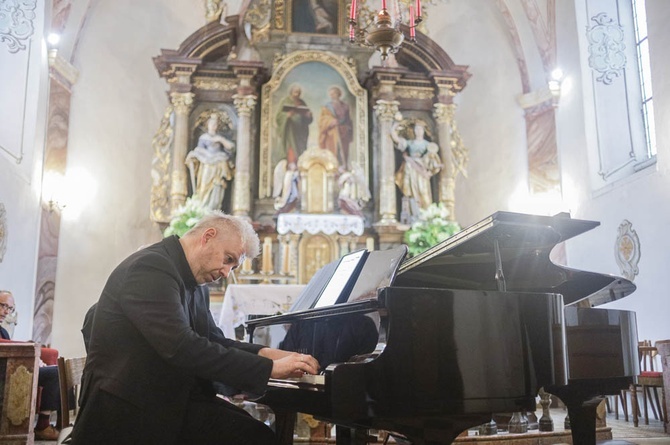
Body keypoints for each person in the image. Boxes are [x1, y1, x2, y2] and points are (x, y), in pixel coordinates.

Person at [69, 212, 320, 445]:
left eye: (233, 267)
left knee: (258, 434)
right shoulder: (151, 267)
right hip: (128, 410)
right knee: (254, 437)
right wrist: (271, 369)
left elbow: (214, 340)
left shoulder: (194, 284)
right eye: (228, 259)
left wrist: (266, 354)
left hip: (165, 400)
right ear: (208, 237)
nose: (226, 272)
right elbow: (181, 347)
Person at [0, 290, 61, 441]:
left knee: (59, 370)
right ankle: (43, 426)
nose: (5, 311)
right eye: (2, 306)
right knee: (54, 374)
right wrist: (30, 350)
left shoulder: (3, 331)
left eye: (9, 308)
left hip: (14, 368)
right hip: (5, 372)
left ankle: (62, 424)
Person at [186, 114, 236, 210]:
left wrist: (221, 140)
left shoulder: (220, 138)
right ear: (207, 125)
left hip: (219, 165)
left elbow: (231, 148)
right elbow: (199, 150)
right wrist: (193, 156)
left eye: (215, 124)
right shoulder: (204, 137)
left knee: (217, 186)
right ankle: (203, 207)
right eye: (211, 123)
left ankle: (214, 208)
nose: (213, 126)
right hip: (207, 165)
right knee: (204, 185)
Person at [391, 121, 443, 213]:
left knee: (423, 191)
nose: (418, 131)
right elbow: (396, 139)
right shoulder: (410, 143)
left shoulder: (427, 144)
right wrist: (394, 128)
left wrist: (435, 167)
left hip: (421, 168)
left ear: (424, 131)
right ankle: (414, 213)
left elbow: (432, 158)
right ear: (414, 131)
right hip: (410, 168)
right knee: (411, 192)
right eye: (416, 129)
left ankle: (426, 213)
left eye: (420, 129)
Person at [274, 84, 313, 168]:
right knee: (291, 148)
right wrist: (287, 116)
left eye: (299, 93)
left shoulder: (302, 103)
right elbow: (278, 117)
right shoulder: (285, 101)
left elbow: (307, 120)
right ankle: (291, 165)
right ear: (291, 92)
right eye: (295, 92)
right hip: (289, 130)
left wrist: (308, 116)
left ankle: (298, 166)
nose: (297, 94)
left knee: (300, 149)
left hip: (300, 132)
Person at [318, 85, 353, 169]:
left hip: (343, 132)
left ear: (339, 94)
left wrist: (347, 128)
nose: (332, 95)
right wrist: (330, 122)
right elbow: (322, 120)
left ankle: (342, 167)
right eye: (331, 94)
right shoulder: (327, 107)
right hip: (332, 133)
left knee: (343, 152)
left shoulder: (345, 106)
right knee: (332, 151)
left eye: (334, 93)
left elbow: (348, 120)